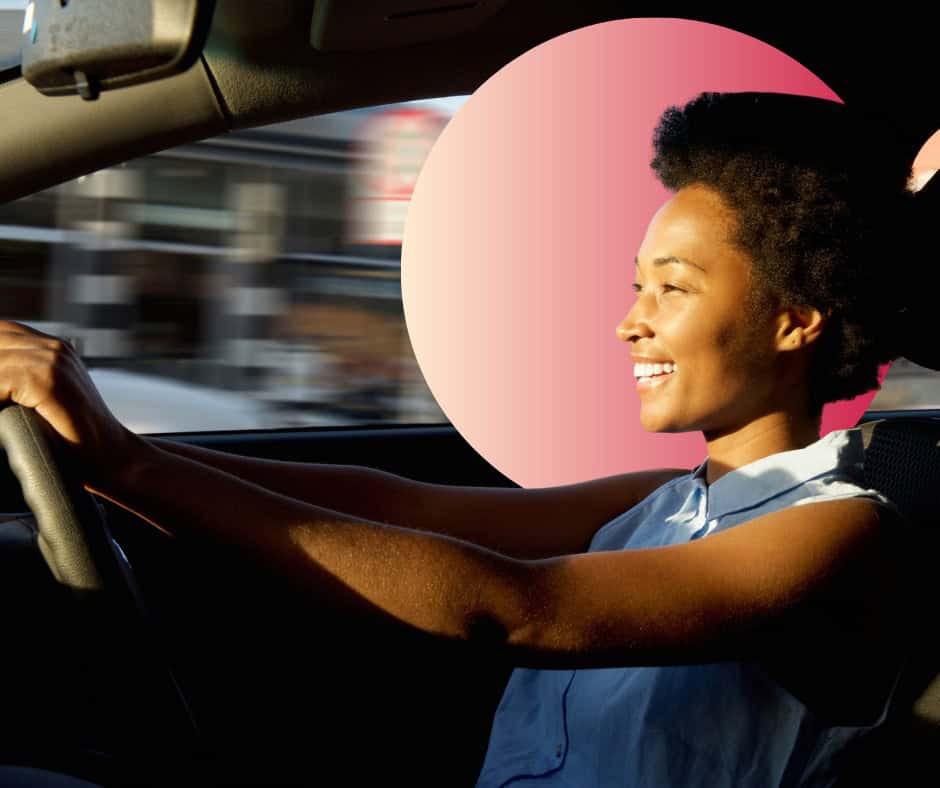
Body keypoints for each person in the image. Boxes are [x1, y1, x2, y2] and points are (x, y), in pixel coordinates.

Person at [0, 91, 929, 786]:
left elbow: (518, 606)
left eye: (673, 288)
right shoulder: (667, 500)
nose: (630, 323)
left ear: (796, 320)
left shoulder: (840, 529)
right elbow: (395, 503)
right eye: (635, 285)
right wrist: (112, 450)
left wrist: (132, 463)